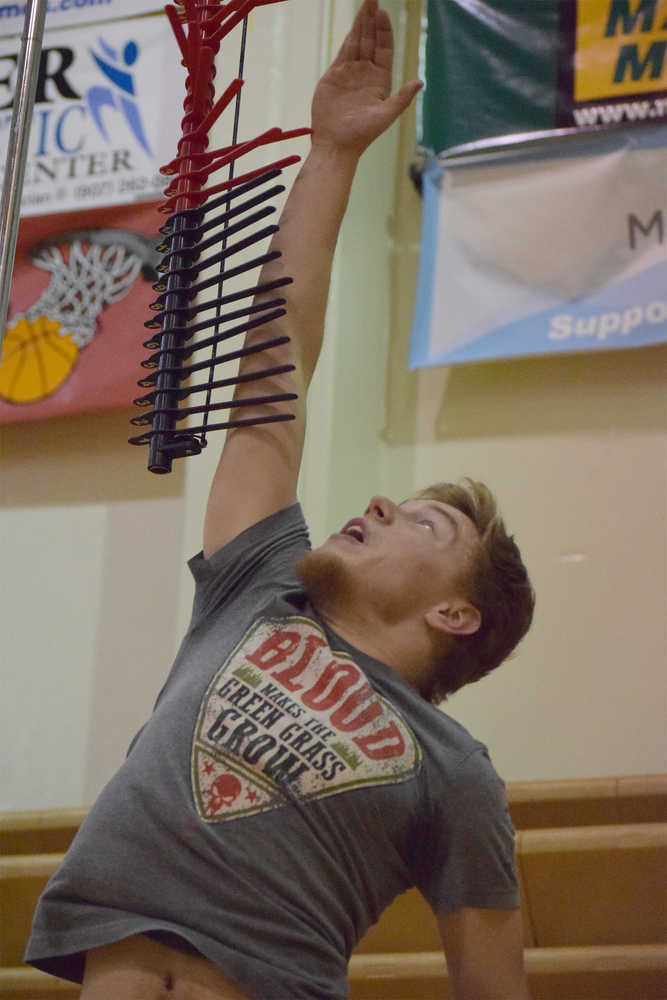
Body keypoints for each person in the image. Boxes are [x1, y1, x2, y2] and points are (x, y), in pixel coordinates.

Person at [25, 2, 535, 998]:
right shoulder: (258, 588)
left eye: (424, 524)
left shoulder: (454, 770)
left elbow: (494, 989)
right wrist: (331, 156)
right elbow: (274, 371)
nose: (383, 502)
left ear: (454, 612)